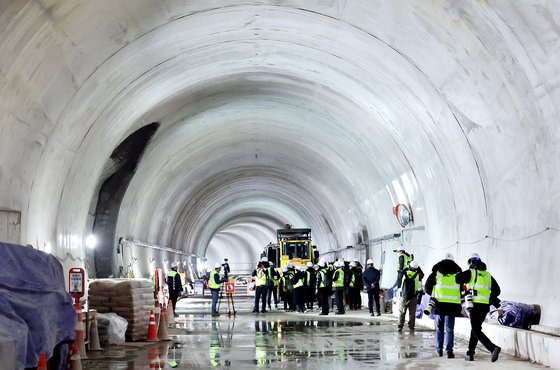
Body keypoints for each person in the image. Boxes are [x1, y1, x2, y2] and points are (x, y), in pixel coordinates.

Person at [455, 253, 502, 362]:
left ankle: (493, 348)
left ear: (471, 262)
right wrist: (489, 299)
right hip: (485, 307)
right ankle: (470, 354)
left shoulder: (471, 272)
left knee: (476, 331)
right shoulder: (488, 275)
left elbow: (457, 278)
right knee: (475, 330)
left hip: (474, 305)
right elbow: (497, 291)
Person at [425, 252, 462, 358]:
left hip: (439, 305)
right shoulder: (458, 274)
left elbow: (427, 288)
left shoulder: (436, 273)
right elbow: (461, 289)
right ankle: (449, 351)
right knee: (450, 329)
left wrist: (435, 293)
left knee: (439, 328)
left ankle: (439, 350)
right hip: (452, 306)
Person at [398, 260, 422, 332]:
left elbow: (401, 285)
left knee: (402, 311)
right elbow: (418, 287)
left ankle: (400, 326)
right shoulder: (417, 276)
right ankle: (411, 326)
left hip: (404, 296)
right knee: (412, 312)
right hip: (413, 297)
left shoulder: (405, 274)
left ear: (410, 266)